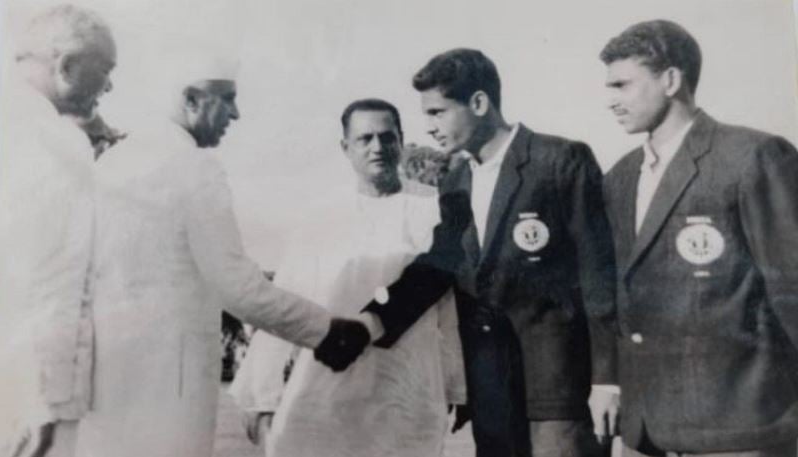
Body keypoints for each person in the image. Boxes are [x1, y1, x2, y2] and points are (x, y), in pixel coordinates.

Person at [316, 48, 618, 457]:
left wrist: (608, 380)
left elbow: (600, 276)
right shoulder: (455, 179)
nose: (430, 127)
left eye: (438, 112)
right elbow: (437, 268)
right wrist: (369, 324)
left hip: (556, 393)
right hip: (491, 392)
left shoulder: (560, 161)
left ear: (478, 103)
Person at [71, 57, 369, 457]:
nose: (236, 113)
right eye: (227, 99)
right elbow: (236, 286)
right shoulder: (193, 166)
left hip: (101, 382)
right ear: (192, 100)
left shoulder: (113, 163)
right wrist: (327, 331)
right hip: (166, 390)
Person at [599, 20, 798, 457]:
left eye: (622, 85)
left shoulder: (752, 157)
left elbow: (793, 289)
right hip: (646, 429)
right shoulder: (620, 177)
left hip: (740, 426)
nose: (610, 101)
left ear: (671, 79)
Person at [229, 98, 469, 457]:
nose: (378, 148)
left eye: (387, 137)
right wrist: (262, 395)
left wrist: (456, 386)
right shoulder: (321, 217)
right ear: (346, 147)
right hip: (329, 387)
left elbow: (447, 307)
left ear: (402, 141)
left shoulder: (432, 209)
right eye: (365, 138)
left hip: (407, 388)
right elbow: (286, 299)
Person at [0, 5, 117, 456]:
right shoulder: (52, 143)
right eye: (104, 70)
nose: (109, 85)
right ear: (66, 66)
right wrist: (43, 400)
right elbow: (48, 277)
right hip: (27, 382)